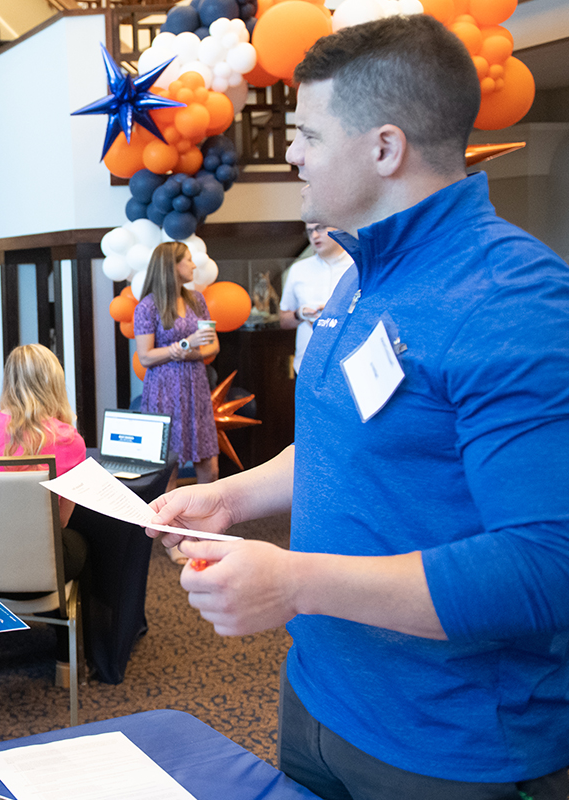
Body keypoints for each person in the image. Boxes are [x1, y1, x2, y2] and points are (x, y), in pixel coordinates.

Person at [148, 16, 569, 800]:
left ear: (383, 148)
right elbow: (344, 446)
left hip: (448, 740)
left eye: (307, 132)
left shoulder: (514, 301)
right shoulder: (359, 274)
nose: (292, 152)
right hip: (318, 696)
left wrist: (296, 584)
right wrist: (228, 496)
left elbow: (546, 567)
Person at [0, 343, 88, 684]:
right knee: (81, 541)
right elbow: (59, 522)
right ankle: (68, 662)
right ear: (54, 383)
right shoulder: (68, 440)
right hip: (40, 573)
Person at [132, 241, 220, 564]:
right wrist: (183, 345)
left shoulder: (197, 300)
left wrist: (192, 351)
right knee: (169, 469)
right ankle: (174, 539)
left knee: (208, 466)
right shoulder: (147, 308)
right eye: (188, 261)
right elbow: (145, 356)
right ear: (172, 266)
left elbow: (213, 347)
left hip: (196, 388)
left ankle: (203, 530)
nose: (194, 266)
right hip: (163, 392)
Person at [278, 222, 354, 374]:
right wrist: (300, 314)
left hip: (349, 365)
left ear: (337, 227)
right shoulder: (298, 269)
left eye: (320, 228)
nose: (314, 236)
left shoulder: (357, 265)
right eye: (309, 231)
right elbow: (283, 320)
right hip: (307, 367)